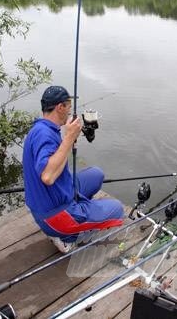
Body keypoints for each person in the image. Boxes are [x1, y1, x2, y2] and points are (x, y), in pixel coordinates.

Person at [23, 85, 124, 253]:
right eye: (68, 107)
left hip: (52, 195)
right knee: (117, 209)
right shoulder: (44, 135)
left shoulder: (42, 128)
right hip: (55, 215)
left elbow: (52, 161)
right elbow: (47, 176)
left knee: (96, 174)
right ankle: (66, 237)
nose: (70, 112)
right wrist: (69, 138)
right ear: (60, 107)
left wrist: (66, 138)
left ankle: (83, 209)